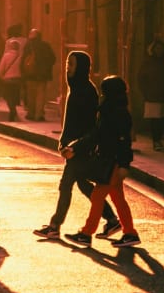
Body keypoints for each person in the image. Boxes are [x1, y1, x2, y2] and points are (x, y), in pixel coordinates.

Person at [33, 50, 118, 239]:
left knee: (66, 185)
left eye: (71, 64)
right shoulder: (76, 88)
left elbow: (90, 126)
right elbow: (70, 122)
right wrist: (63, 142)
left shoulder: (86, 91)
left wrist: (74, 147)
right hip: (72, 147)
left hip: (80, 148)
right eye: (67, 64)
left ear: (81, 68)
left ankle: (55, 225)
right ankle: (112, 220)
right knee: (83, 185)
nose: (67, 68)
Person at [65, 75, 140, 248]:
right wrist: (76, 146)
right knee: (118, 199)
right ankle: (129, 233)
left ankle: (86, 233)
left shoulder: (117, 113)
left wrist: (123, 165)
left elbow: (123, 141)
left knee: (97, 196)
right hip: (109, 159)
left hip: (112, 161)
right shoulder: (109, 109)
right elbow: (96, 135)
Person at [21, 27, 56, 122]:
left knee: (31, 95)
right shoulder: (45, 45)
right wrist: (46, 68)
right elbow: (53, 58)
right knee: (40, 95)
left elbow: (23, 60)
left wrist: (22, 72)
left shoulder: (28, 46)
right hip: (42, 75)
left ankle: (31, 114)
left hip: (30, 75)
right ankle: (39, 115)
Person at [0, 23, 27, 119]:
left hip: (8, 76)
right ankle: (17, 106)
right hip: (19, 74)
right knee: (16, 93)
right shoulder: (25, 41)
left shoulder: (8, 43)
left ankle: (12, 109)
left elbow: (2, 65)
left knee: (7, 94)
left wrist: (1, 75)